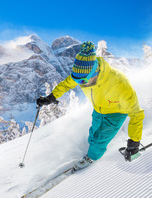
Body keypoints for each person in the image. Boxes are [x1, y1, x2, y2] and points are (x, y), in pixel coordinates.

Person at [37, 41, 145, 170]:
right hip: (98, 110)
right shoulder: (81, 75)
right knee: (93, 134)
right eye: (77, 80)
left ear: (95, 72)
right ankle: (94, 149)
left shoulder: (119, 82)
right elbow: (66, 84)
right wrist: (51, 97)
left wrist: (134, 140)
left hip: (116, 113)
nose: (80, 84)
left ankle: (92, 158)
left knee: (100, 139)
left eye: (82, 81)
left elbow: (136, 114)